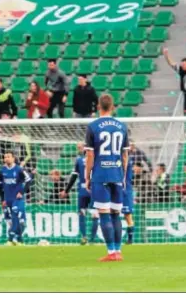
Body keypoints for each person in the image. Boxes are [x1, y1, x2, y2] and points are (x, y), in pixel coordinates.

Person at [84, 94, 129, 262]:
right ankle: (118, 251)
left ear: (98, 106)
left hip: (100, 174)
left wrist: (87, 176)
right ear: (113, 107)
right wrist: (123, 176)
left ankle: (111, 252)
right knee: (116, 213)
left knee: (104, 213)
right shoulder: (122, 126)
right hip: (117, 174)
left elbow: (90, 154)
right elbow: (125, 155)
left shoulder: (93, 126)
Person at [63, 142, 99, 245]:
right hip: (94, 191)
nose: (79, 149)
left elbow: (74, 177)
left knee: (82, 214)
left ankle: (84, 237)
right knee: (94, 215)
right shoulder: (96, 159)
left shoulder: (79, 160)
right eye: (78, 147)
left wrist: (66, 191)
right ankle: (91, 239)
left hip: (83, 191)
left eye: (80, 147)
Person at [0, 151, 31, 246]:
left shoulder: (19, 170)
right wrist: (2, 200)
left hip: (17, 199)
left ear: (13, 158)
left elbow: (29, 180)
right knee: (10, 221)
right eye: (5, 157)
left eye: (8, 156)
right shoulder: (1, 171)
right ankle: (20, 240)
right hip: (7, 199)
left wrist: (22, 192)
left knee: (16, 215)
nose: (6, 158)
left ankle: (10, 239)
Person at [122, 159, 135, 244]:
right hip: (115, 190)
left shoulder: (127, 161)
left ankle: (130, 239)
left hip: (126, 191)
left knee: (128, 216)